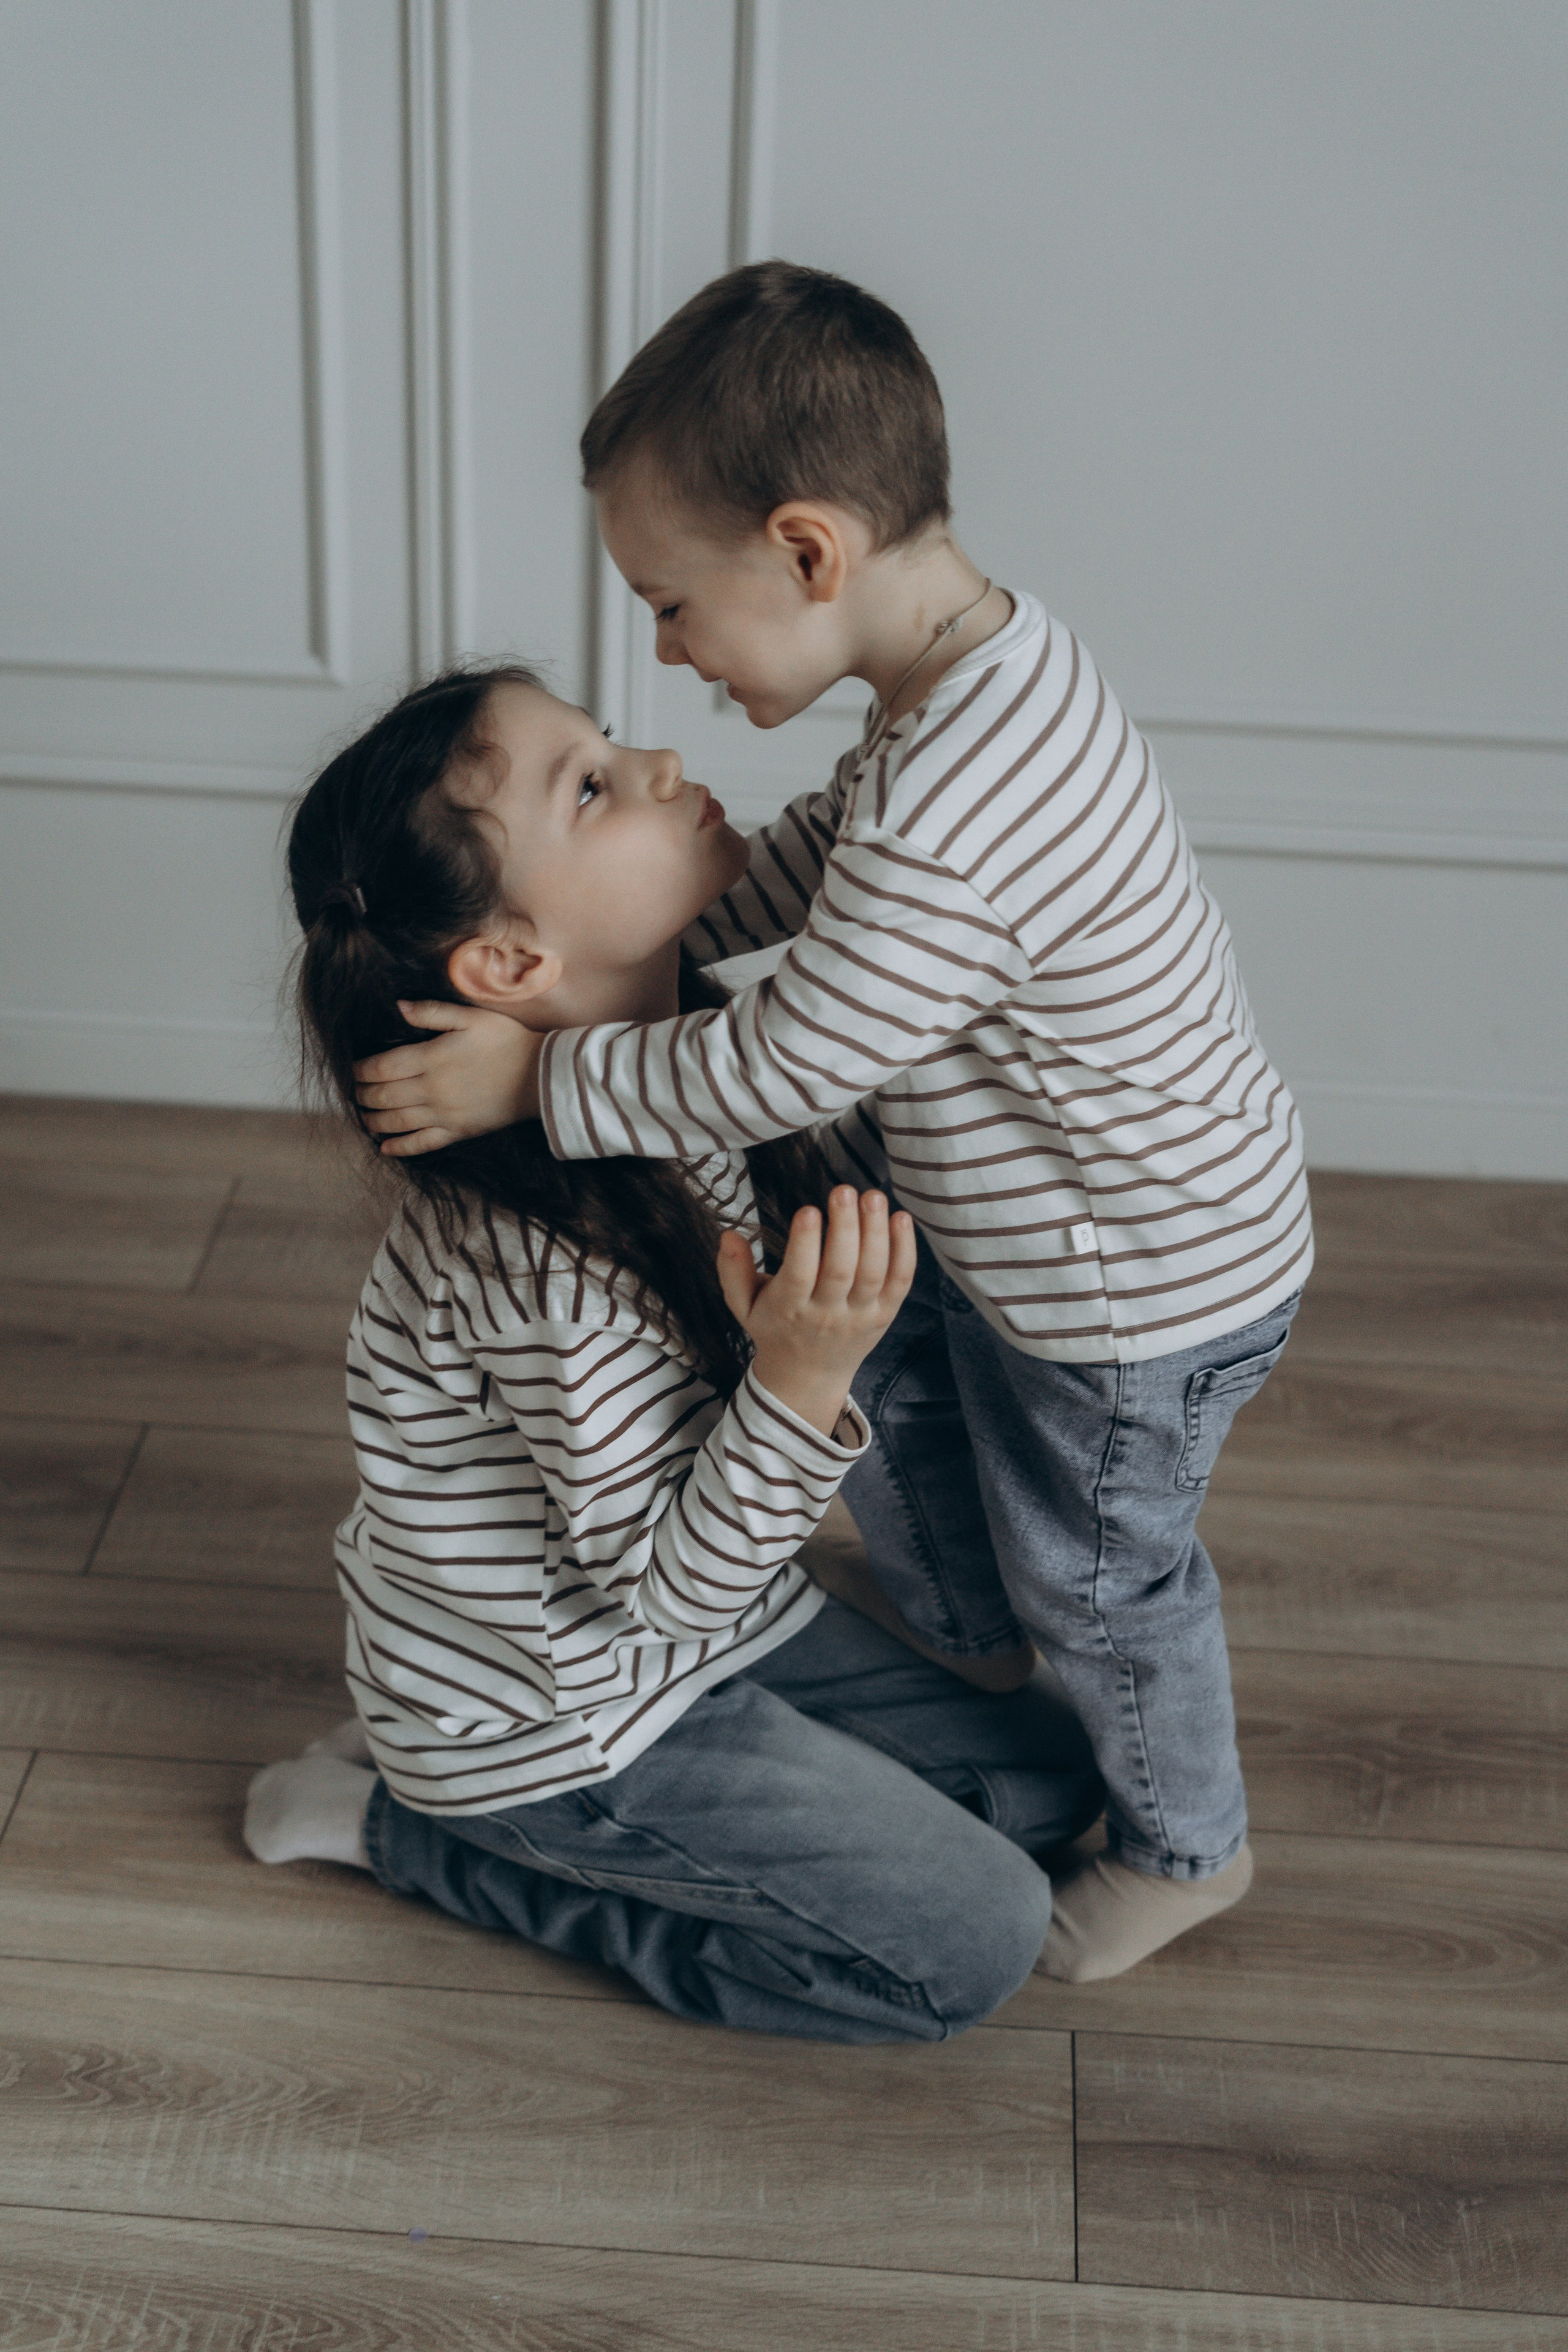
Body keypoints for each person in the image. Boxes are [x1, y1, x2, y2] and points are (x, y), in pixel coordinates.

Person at [349, 264, 1313, 1984]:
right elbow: (823, 874)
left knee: (1101, 1580)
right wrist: (644, 945)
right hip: (1039, 1252)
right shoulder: (970, 687)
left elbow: (785, 1061)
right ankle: (974, 1645)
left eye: (667, 606)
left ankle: (1189, 1846)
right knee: (917, 1392)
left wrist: (542, 1071)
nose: (664, 662)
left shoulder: (962, 804)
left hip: (1130, 1294)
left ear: (805, 554)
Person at [244, 662, 1103, 2044]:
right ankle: (411, 1835)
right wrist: (798, 1382)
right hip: (563, 1715)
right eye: (587, 787)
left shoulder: (684, 1057)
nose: (652, 760)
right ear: (514, 965)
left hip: (704, 1624)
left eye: (604, 742)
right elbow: (662, 1596)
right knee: (970, 1944)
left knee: (1058, 1779)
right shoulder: (537, 1267)